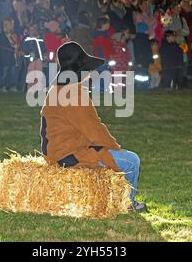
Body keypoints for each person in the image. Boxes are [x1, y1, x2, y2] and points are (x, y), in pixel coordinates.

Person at [40, 41, 146, 211]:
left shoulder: (57, 89)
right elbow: (94, 130)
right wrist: (116, 149)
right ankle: (127, 203)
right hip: (68, 155)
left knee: (111, 154)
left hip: (56, 152)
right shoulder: (73, 93)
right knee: (131, 161)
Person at [0, 18, 18, 92]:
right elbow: (4, 46)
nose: (12, 27)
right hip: (4, 57)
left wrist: (15, 45)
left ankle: (12, 86)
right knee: (4, 73)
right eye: (11, 25)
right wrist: (13, 48)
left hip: (11, 57)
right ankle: (2, 86)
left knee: (12, 72)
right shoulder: (0, 36)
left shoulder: (12, 35)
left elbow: (16, 44)